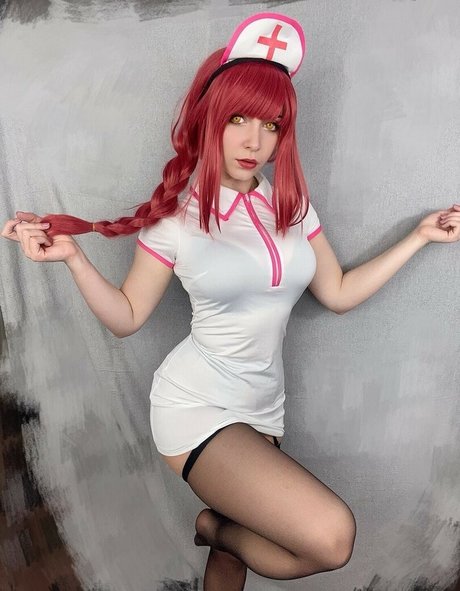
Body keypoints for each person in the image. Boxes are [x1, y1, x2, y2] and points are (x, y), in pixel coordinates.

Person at [2, 11, 459, 590]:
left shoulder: (290, 206)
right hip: (197, 406)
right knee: (330, 538)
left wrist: (419, 237)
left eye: (271, 124)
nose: (253, 141)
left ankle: (222, 535)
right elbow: (128, 316)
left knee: (234, 562)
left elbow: (337, 293)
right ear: (211, 118)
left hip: (263, 406)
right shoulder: (177, 219)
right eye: (238, 119)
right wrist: (74, 258)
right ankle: (215, 528)